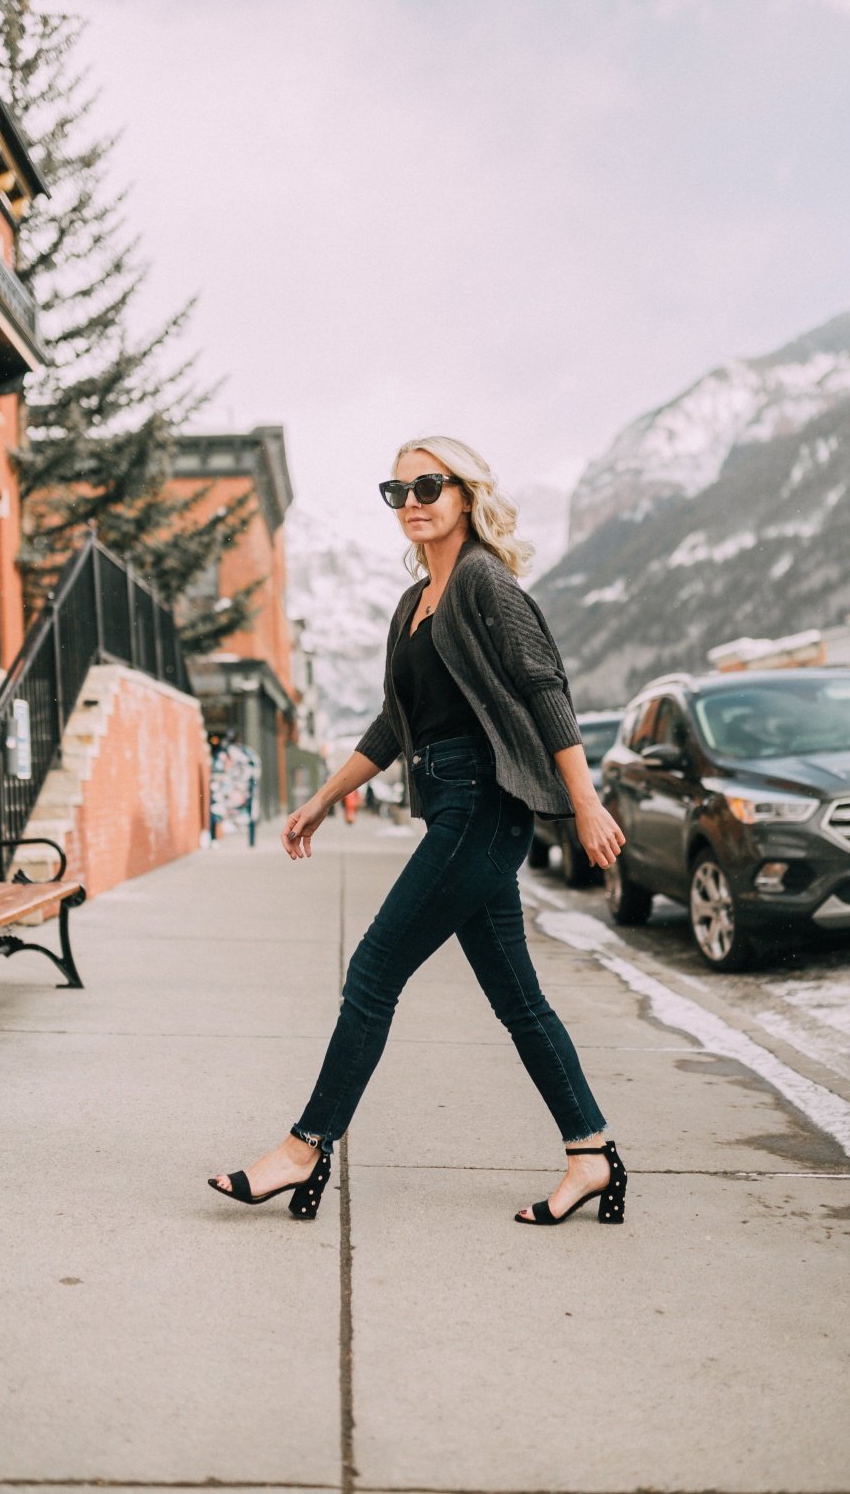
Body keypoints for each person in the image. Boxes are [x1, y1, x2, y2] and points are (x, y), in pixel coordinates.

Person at [209, 436, 627, 1226]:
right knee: (519, 1000)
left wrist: (587, 799)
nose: (412, 503)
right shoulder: (414, 604)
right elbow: (394, 724)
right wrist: (325, 795)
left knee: (372, 973)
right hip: (448, 802)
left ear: (465, 494)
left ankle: (305, 1148)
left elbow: (545, 690)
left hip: (482, 804)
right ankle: (592, 1155)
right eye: (396, 491)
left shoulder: (483, 584)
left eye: (428, 486)